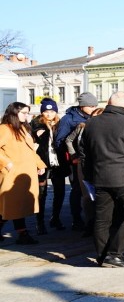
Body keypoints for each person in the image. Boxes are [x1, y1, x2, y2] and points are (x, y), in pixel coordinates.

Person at [80, 92, 124, 268]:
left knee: (102, 219)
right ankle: (115, 254)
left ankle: (102, 256)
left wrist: (89, 176)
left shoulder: (91, 123)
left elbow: (84, 153)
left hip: (100, 177)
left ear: (109, 103)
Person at [0, 102, 46, 244]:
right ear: (14, 113)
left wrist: (39, 164)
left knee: (16, 206)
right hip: (12, 174)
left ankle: (23, 234)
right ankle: (23, 234)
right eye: (24, 113)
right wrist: (7, 164)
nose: (27, 116)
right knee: (10, 206)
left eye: (27, 113)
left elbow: (30, 150)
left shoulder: (23, 129)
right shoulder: (5, 129)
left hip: (24, 173)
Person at [54, 91, 97, 230]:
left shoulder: (93, 117)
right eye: (90, 105)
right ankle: (76, 219)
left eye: (94, 105)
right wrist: (71, 156)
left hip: (90, 160)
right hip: (75, 161)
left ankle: (91, 217)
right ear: (82, 106)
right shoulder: (68, 119)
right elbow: (60, 140)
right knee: (77, 189)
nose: (92, 108)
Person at [31, 98, 65, 234]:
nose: (49, 114)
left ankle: (55, 218)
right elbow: (33, 144)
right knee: (41, 194)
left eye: (52, 111)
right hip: (42, 162)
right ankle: (40, 223)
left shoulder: (61, 124)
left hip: (58, 163)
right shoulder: (35, 124)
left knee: (60, 191)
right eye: (46, 111)